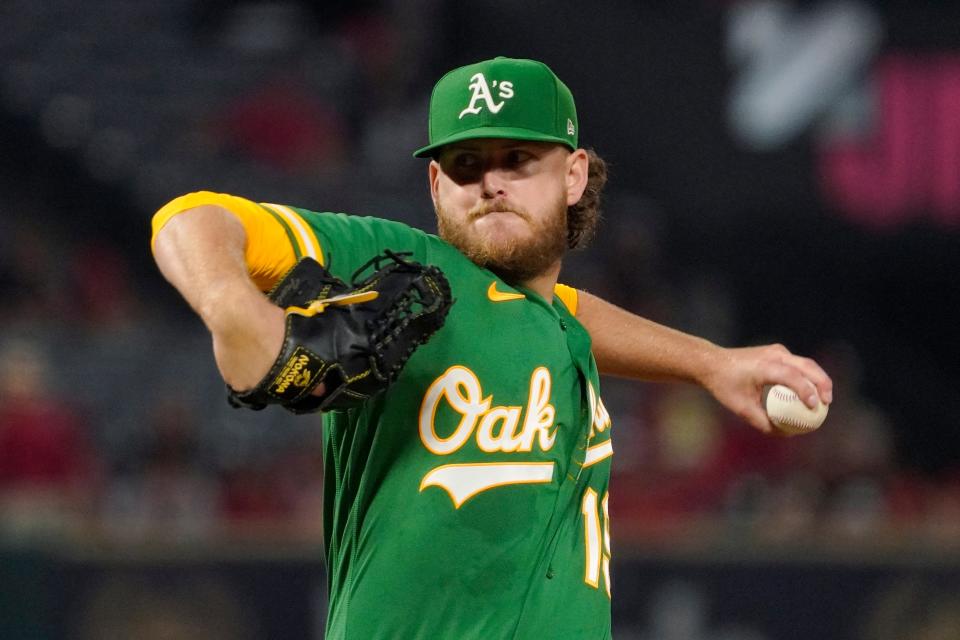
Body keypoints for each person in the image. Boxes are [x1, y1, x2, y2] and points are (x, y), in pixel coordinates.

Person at [151, 56, 832, 640]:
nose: (491, 181)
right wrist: (242, 318)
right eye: (466, 162)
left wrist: (713, 363)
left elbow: (564, 313)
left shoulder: (553, 323)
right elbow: (188, 219)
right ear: (436, 185)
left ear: (572, 176)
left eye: (518, 159)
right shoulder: (404, 267)